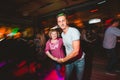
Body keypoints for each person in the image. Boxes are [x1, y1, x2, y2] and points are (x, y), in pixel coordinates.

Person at [56, 13, 85, 80]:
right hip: (69, 60)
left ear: (67, 21)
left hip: (79, 60)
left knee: (79, 78)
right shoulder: (62, 34)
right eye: (59, 21)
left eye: (63, 20)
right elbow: (66, 45)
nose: (62, 23)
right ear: (58, 23)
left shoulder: (73, 31)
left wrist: (63, 60)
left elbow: (76, 51)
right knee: (67, 77)